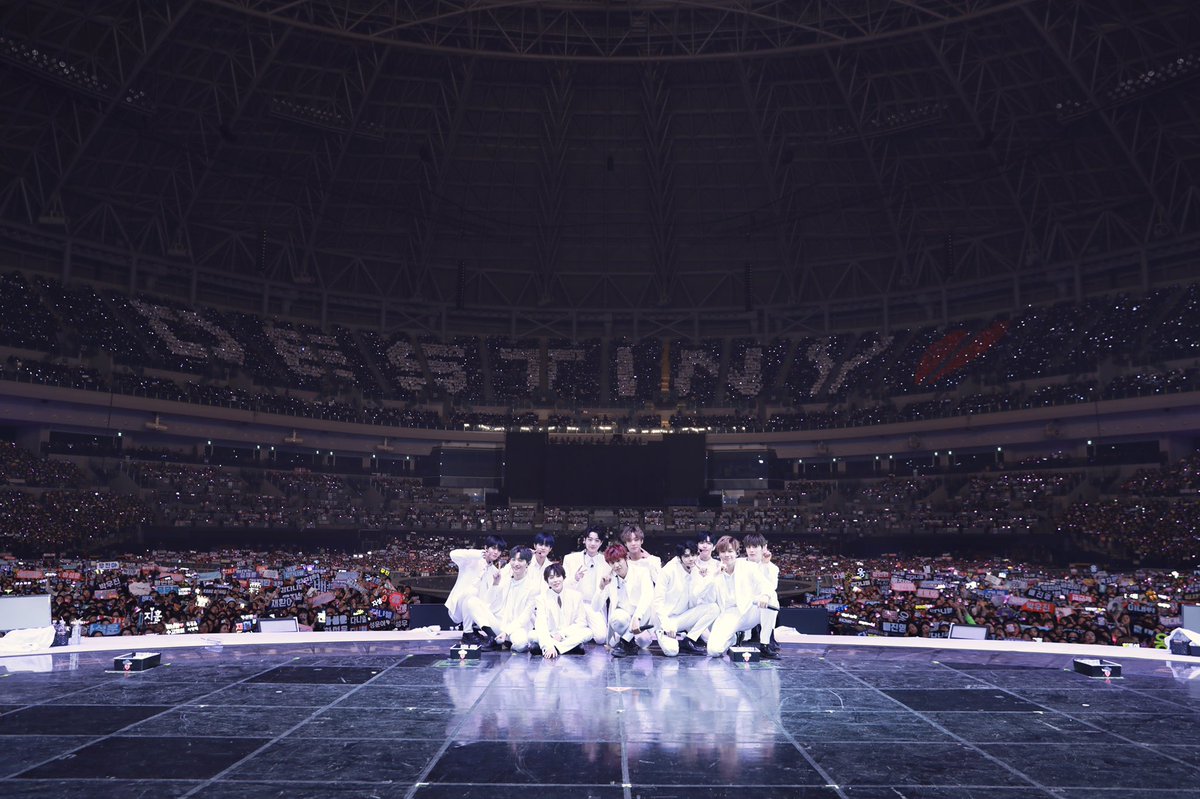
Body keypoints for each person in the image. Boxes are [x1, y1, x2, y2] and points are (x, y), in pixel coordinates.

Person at [706, 536, 778, 659]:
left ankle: (765, 644)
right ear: (718, 554)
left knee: (772, 598)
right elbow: (706, 597)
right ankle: (733, 639)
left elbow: (766, 585)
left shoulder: (748, 566)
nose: (727, 555)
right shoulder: (714, 571)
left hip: (749, 611)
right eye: (723, 552)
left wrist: (765, 596)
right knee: (714, 651)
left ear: (737, 553)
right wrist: (714, 577)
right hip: (729, 614)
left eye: (730, 551)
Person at [462, 546, 538, 651]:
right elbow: (488, 601)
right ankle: (493, 638)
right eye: (513, 559)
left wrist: (507, 632)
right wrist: (495, 584)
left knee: (520, 644)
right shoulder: (505, 579)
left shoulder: (533, 587)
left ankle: (506, 641)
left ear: (528, 564)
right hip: (499, 624)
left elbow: (525, 616)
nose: (516, 563)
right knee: (472, 602)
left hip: (516, 628)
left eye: (520, 560)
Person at [652, 540, 721, 656]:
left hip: (684, 617)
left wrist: (706, 579)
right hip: (666, 620)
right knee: (671, 651)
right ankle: (664, 634)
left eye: (693, 555)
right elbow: (657, 602)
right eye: (686, 556)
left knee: (713, 608)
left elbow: (701, 597)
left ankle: (689, 640)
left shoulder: (696, 569)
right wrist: (666, 625)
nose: (691, 559)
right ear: (679, 558)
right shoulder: (668, 571)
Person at [595, 543, 654, 658]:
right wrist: (601, 588)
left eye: (619, 561)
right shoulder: (609, 578)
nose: (616, 565)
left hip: (642, 617)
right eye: (612, 563)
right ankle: (627, 643)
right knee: (617, 618)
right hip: (623, 618)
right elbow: (595, 608)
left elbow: (647, 596)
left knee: (643, 642)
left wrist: (637, 617)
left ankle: (625, 641)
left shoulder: (642, 572)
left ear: (626, 558)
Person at [446, 535, 507, 637]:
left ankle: (473, 629)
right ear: (486, 548)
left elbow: (490, 600)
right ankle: (467, 632)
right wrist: (477, 554)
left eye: (499, 550)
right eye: (493, 548)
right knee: (472, 591)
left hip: (474, 612)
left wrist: (495, 584)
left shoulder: (495, 572)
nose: (496, 552)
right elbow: (453, 554)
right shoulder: (471, 560)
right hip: (458, 609)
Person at [561, 527, 611, 644]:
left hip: (594, 606)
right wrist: (575, 578)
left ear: (601, 543)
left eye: (597, 540)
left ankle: (585, 632)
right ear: (584, 540)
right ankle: (585, 631)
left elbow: (607, 590)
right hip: (575, 605)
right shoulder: (570, 559)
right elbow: (562, 585)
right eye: (590, 539)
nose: (593, 543)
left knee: (601, 638)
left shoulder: (606, 561)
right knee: (564, 633)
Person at [534, 563, 592, 659]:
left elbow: (581, 622)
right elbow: (541, 624)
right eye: (551, 578)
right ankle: (570, 648)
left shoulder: (576, 596)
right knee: (532, 635)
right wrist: (548, 643)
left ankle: (556, 648)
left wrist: (561, 634)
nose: (555, 580)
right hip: (550, 635)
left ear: (563, 577)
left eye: (558, 576)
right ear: (547, 581)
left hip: (568, 635)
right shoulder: (541, 599)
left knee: (588, 632)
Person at [741, 533, 781, 656]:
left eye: (755, 547)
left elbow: (771, 587)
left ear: (764, 548)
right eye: (748, 547)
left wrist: (765, 565)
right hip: (741, 606)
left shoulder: (772, 568)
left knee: (772, 598)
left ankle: (765, 643)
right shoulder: (739, 564)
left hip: (761, 605)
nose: (751, 550)